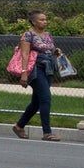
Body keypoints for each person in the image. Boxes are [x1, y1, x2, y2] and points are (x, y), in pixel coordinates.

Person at [12, 10, 62, 141]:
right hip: (35, 70)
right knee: (46, 98)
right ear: (33, 22)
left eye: (45, 19)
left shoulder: (48, 35)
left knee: (36, 102)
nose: (45, 22)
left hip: (48, 69)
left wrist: (56, 51)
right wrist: (24, 74)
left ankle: (19, 126)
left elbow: (49, 49)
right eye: (41, 20)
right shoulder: (28, 35)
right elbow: (25, 54)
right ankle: (47, 132)